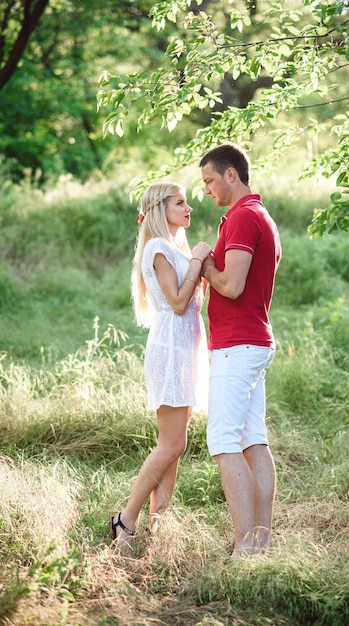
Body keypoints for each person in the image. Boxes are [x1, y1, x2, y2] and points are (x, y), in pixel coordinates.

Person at [110, 181, 212, 554]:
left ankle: (161, 525)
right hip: (171, 349)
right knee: (172, 443)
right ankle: (126, 518)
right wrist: (199, 261)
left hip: (185, 348)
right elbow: (179, 301)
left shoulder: (174, 246)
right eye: (180, 203)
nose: (189, 208)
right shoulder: (157, 247)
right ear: (160, 208)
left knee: (176, 445)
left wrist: (197, 260)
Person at [199, 143, 282, 558]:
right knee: (253, 441)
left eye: (210, 181)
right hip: (252, 341)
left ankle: (245, 547)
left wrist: (205, 265)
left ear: (231, 175)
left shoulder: (244, 217)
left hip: (238, 344)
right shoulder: (255, 214)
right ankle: (261, 542)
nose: (207, 191)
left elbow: (230, 285)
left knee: (224, 441)